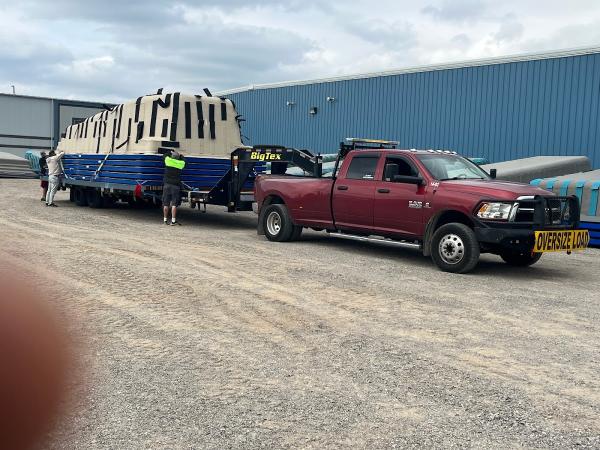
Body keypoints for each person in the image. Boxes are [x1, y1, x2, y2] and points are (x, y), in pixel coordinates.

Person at [162, 150, 185, 225]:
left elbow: (164, 155)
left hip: (167, 185)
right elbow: (184, 160)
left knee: (166, 204)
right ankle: (173, 220)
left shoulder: (168, 161)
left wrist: (170, 151)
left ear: (171, 157)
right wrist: (181, 156)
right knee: (174, 204)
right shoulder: (180, 164)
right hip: (175, 186)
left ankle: (165, 220)